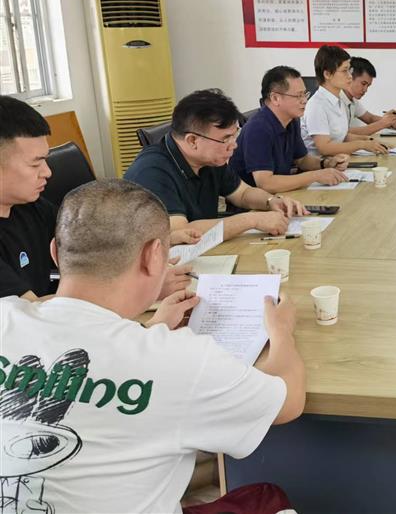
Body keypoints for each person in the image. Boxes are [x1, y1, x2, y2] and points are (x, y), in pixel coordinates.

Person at [0, 179, 305, 513]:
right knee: (267, 498)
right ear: (154, 255)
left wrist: (151, 328)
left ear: (55, 252)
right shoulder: (177, 358)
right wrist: (281, 332)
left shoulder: (5, 317)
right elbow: (287, 401)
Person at [0, 96, 195, 300]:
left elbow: (93, 243)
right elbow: (30, 310)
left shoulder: (29, 206)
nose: (47, 172)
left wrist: (151, 245)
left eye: (45, 160)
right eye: (34, 164)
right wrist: (140, 289)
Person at [124, 88, 306, 240]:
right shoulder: (152, 171)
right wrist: (252, 220)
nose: (234, 145)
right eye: (226, 138)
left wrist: (271, 201)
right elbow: (181, 232)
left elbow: (243, 193)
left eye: (235, 135)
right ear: (192, 140)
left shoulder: (209, 158)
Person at [230, 66, 350, 192]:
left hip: (281, 194)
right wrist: (315, 176)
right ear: (275, 98)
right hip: (255, 201)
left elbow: (302, 160)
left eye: (305, 94)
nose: (305, 100)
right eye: (298, 96)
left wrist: (326, 163)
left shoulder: (291, 120)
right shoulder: (258, 128)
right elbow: (265, 183)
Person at [300, 45, 390, 156]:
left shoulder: (338, 100)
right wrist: (361, 144)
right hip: (320, 164)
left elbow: (342, 136)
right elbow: (325, 148)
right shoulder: (317, 105)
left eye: (349, 70)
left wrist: (368, 141)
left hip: (338, 160)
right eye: (344, 71)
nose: (350, 76)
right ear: (327, 74)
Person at [343, 56, 396, 135]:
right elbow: (343, 133)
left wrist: (392, 123)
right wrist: (382, 123)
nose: (365, 90)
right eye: (363, 84)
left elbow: (370, 118)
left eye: (368, 86)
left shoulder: (352, 100)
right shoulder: (337, 99)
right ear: (349, 77)